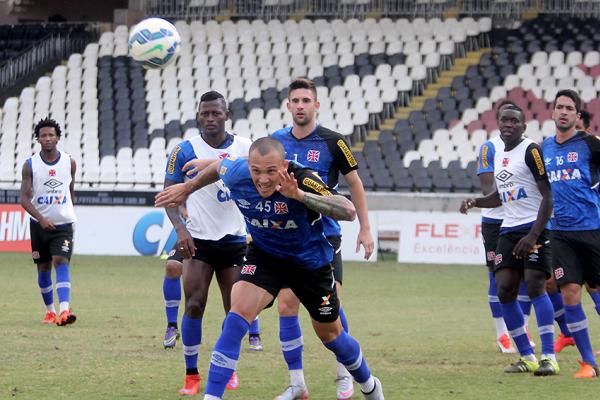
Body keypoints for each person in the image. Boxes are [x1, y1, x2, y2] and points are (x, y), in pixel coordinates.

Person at [155, 137, 385, 400]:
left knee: (331, 336)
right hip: (266, 256)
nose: (263, 179)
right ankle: (213, 396)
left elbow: (348, 210)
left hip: (310, 264)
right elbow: (218, 167)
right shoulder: (237, 171)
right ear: (248, 167)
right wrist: (188, 188)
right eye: (256, 171)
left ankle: (369, 385)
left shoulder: (302, 177)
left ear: (284, 165)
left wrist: (298, 196)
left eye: (271, 171)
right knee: (236, 317)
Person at [270, 77, 374, 400]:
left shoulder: (333, 142)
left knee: (331, 310)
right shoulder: (275, 142)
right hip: (288, 238)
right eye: (295, 101)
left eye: (306, 101)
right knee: (286, 306)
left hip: (324, 238)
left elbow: (354, 184)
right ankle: (297, 383)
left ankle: (344, 373)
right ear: (288, 105)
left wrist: (365, 228)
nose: (300, 106)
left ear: (316, 105)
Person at [163, 91, 252, 395]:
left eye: (216, 113)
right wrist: (181, 230)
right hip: (198, 241)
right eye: (205, 113)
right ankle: (191, 375)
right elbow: (169, 196)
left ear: (227, 115)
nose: (210, 118)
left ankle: (229, 368)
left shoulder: (245, 147)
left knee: (235, 311)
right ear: (198, 116)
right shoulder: (184, 150)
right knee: (193, 306)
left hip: (235, 241)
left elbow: (262, 175)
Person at [460, 104, 558, 376]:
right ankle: (527, 357)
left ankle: (549, 357)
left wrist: (533, 235)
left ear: (524, 126)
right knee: (504, 288)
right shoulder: (499, 152)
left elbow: (548, 196)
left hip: (534, 227)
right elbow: (501, 196)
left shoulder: (531, 150)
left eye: (515, 121)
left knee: (536, 285)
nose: (509, 125)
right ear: (498, 123)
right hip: (509, 228)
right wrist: (476, 202)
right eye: (504, 120)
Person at [541, 89, 600, 377]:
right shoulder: (544, 148)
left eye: (569, 108)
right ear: (553, 112)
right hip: (560, 234)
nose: (563, 112)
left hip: (593, 229)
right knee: (570, 294)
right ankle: (589, 362)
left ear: (577, 115)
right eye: (559, 107)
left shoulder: (590, 144)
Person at [19, 117, 77, 326]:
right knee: (43, 267)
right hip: (39, 226)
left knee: (60, 261)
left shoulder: (69, 162)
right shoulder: (30, 165)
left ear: (58, 138)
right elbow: (24, 198)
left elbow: (70, 191)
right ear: (38, 139)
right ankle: (50, 312)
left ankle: (64, 310)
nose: (48, 138)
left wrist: (68, 212)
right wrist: (41, 219)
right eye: (43, 135)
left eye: (51, 135)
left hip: (63, 225)